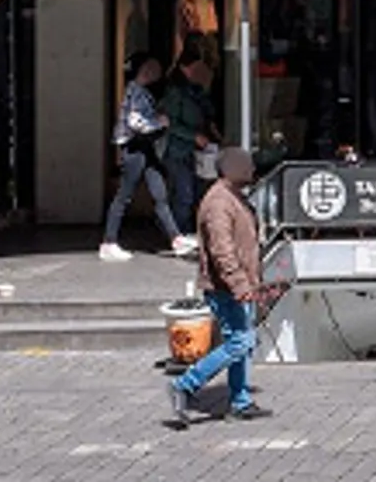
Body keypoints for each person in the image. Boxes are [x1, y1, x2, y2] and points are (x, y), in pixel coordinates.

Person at [167, 146, 267, 428]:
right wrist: (239, 283)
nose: (251, 169)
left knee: (242, 341)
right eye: (245, 165)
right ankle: (185, 384)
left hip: (237, 284)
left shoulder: (234, 198)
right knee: (240, 342)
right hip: (225, 287)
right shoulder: (219, 203)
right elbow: (222, 249)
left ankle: (240, 401)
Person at [101, 53, 198, 261]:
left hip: (144, 148)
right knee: (124, 195)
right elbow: (135, 122)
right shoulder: (136, 92)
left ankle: (175, 238)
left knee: (159, 192)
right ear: (143, 70)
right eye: (151, 68)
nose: (156, 72)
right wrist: (159, 123)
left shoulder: (140, 91)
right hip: (135, 148)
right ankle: (109, 241)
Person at [165, 38, 221, 239]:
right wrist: (194, 135)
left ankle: (187, 230)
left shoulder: (197, 90)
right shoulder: (175, 91)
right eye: (195, 67)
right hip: (178, 149)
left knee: (196, 191)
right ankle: (179, 232)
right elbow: (169, 122)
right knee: (184, 193)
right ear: (184, 68)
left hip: (195, 149)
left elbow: (207, 112)